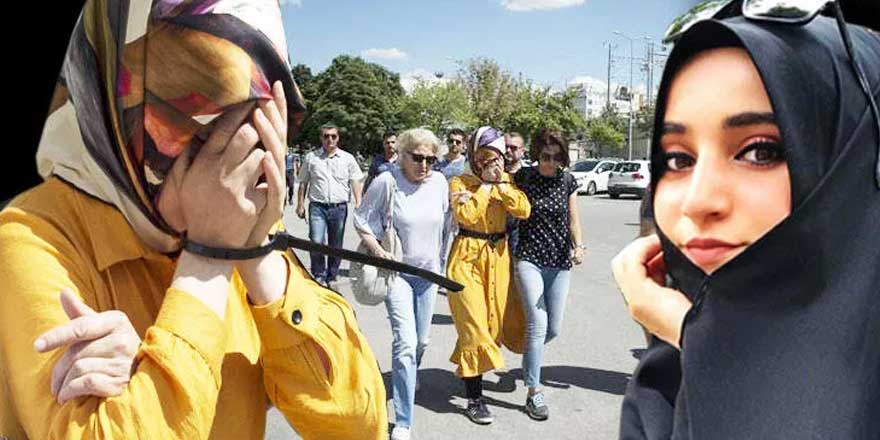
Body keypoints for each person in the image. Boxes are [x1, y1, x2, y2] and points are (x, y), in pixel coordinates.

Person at [0, 2, 387, 439]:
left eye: (254, 133)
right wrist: (208, 259)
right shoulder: (34, 234)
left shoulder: (239, 218)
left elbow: (358, 424)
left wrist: (255, 255)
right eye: (203, 135)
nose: (230, 174)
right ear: (123, 116)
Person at [612, 4, 880, 438]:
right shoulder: (661, 384)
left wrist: (706, 340)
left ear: (860, 160)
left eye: (760, 151)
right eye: (678, 158)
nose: (697, 201)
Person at [354, 128, 449, 440]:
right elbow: (362, 219)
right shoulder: (387, 180)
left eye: (431, 159)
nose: (424, 165)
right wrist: (379, 251)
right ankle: (404, 421)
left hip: (429, 275)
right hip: (397, 275)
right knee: (406, 343)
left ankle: (408, 374)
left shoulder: (439, 183)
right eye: (418, 157)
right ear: (403, 154)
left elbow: (446, 223)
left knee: (421, 342)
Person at [446, 126, 531, 425]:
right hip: (466, 258)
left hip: (498, 258)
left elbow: (523, 210)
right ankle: (475, 399)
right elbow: (466, 216)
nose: (488, 162)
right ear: (473, 155)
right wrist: (484, 187)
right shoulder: (460, 181)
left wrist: (502, 186)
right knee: (474, 326)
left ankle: (471, 373)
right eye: (482, 156)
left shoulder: (506, 181)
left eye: (494, 156)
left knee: (490, 325)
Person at [512, 129, 584, 421]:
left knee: (552, 328)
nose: (550, 162)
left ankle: (531, 358)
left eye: (556, 157)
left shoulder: (566, 180)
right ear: (536, 153)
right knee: (538, 321)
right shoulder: (524, 178)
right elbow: (496, 189)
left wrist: (579, 246)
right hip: (528, 258)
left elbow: (573, 218)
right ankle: (534, 391)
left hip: (559, 261)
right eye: (545, 156)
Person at [296, 123, 365, 286]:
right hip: (317, 207)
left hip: (339, 208)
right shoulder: (311, 158)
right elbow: (303, 182)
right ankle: (318, 274)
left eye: (333, 136)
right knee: (316, 241)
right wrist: (300, 204)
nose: (330, 139)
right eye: (326, 136)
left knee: (336, 244)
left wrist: (358, 201)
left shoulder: (347, 158)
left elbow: (355, 180)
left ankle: (332, 274)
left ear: (338, 138)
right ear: (321, 138)